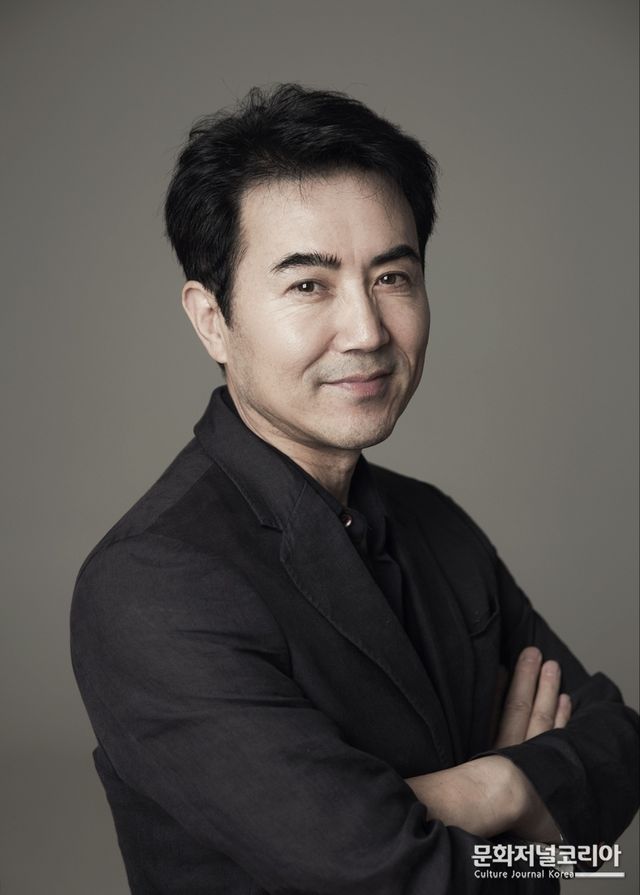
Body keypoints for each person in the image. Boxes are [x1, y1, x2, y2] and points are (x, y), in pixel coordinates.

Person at [71, 84, 638, 894]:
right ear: (211, 319)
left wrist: (483, 794)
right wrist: (520, 800)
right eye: (309, 284)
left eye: (392, 276)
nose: (368, 331)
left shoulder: (434, 522)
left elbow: (619, 755)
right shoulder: (151, 585)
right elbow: (397, 879)